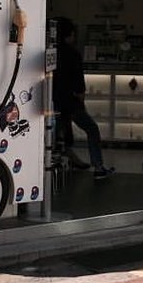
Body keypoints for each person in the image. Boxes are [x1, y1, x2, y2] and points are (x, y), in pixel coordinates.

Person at [53, 18, 115, 180]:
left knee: (60, 134)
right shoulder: (73, 54)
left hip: (53, 101)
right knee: (92, 129)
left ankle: (69, 162)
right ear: (71, 34)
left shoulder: (50, 52)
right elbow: (79, 84)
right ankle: (98, 167)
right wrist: (81, 101)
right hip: (71, 101)